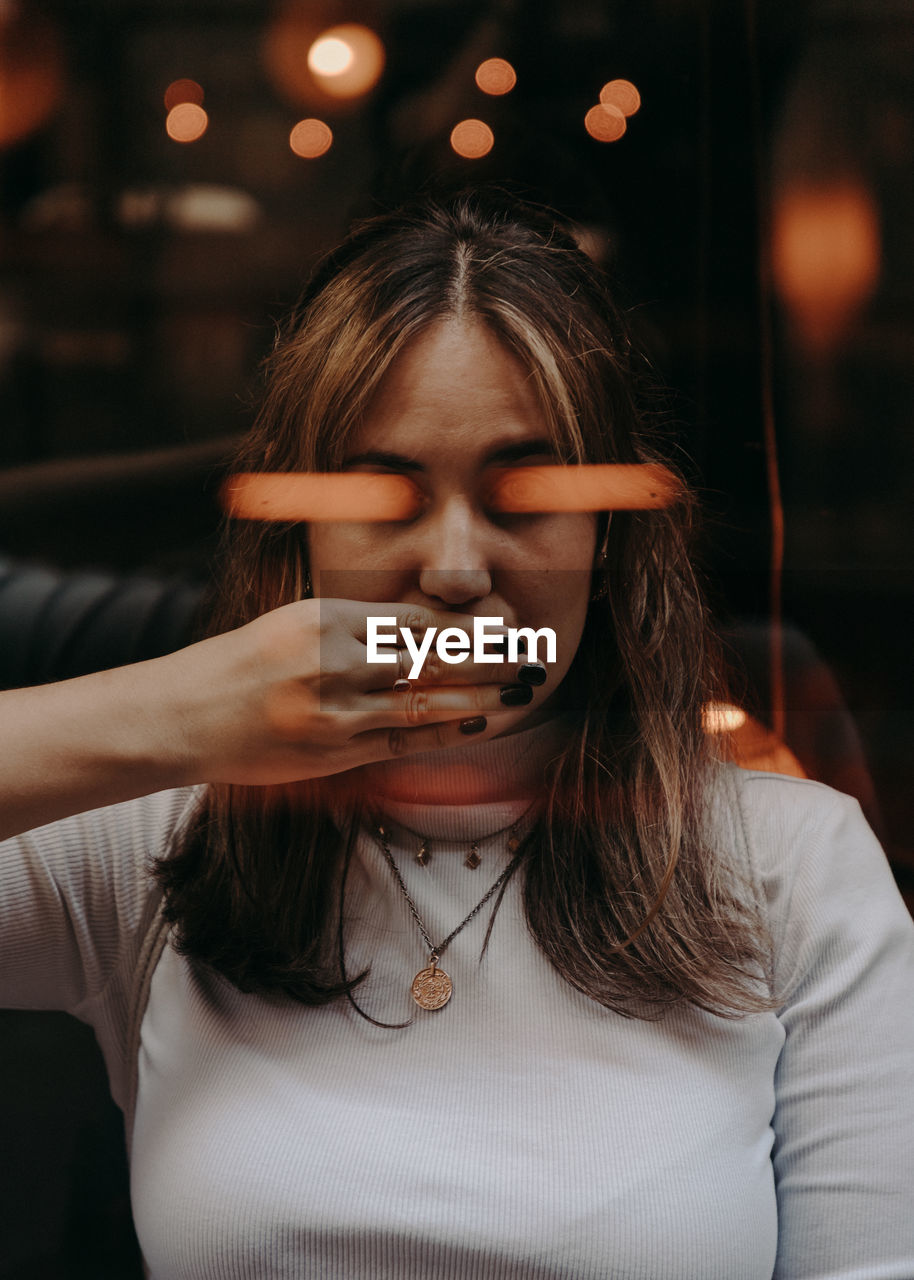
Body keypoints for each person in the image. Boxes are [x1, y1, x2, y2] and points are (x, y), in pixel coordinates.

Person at [2, 190, 913, 1280]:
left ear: (607, 536)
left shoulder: (793, 865)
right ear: (304, 532)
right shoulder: (158, 838)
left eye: (521, 496)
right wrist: (177, 714)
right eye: (384, 498)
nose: (454, 569)